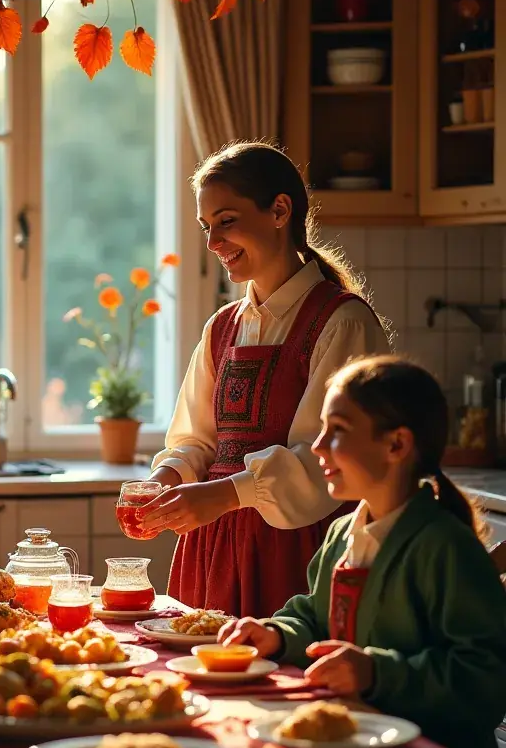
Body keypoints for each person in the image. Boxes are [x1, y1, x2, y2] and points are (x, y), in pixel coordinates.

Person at [218, 356, 506, 748]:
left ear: (396, 445)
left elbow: (485, 680)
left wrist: (376, 673)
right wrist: (277, 635)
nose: (317, 446)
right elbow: (315, 619)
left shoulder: (443, 547)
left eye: (338, 431)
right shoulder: (340, 535)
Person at [139, 141, 389, 618]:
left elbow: (332, 458)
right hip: (211, 551)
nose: (212, 243)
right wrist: (165, 479)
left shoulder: (343, 323)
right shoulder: (222, 328)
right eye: (206, 227)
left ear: (279, 210)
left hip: (298, 554)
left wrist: (228, 494)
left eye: (226, 221)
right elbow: (197, 439)